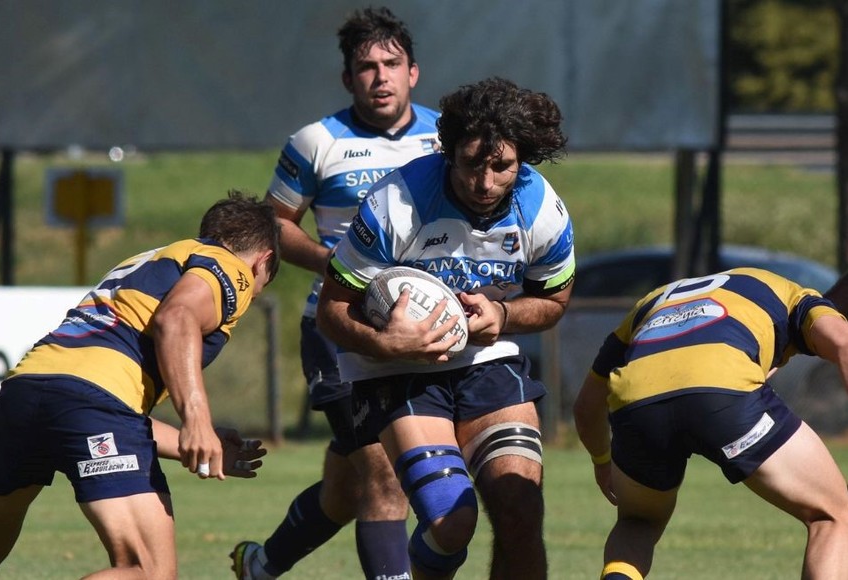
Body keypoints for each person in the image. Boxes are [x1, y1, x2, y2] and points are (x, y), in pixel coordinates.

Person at [316, 76, 574, 579]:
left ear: (522, 159)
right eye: (472, 163)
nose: (485, 182)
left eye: (502, 167)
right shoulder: (398, 202)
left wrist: (503, 316)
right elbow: (332, 308)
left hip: (487, 361)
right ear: (448, 152)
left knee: (521, 509)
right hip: (393, 371)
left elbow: (554, 300)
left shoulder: (541, 209)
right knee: (452, 521)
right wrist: (385, 342)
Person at [231, 6, 439, 580]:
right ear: (348, 79)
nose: (380, 77)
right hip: (338, 326)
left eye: (391, 64)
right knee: (386, 476)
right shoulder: (316, 142)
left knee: (346, 490)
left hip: (423, 328)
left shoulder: (448, 139)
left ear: (413, 72)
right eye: (366, 67)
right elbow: (272, 225)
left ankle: (261, 565)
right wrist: (338, 264)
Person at [0, 190, 277, 579]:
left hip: (26, 389)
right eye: (262, 284)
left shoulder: (152, 260)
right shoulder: (230, 265)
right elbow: (177, 318)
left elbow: (111, 406)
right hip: (92, 397)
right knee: (147, 572)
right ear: (263, 262)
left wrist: (206, 443)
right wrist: (197, 419)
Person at [573, 267, 848, 579]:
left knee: (638, 522)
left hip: (638, 403)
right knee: (831, 514)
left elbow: (585, 407)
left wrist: (602, 462)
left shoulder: (652, 302)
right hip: (721, 394)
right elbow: (842, 343)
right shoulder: (799, 298)